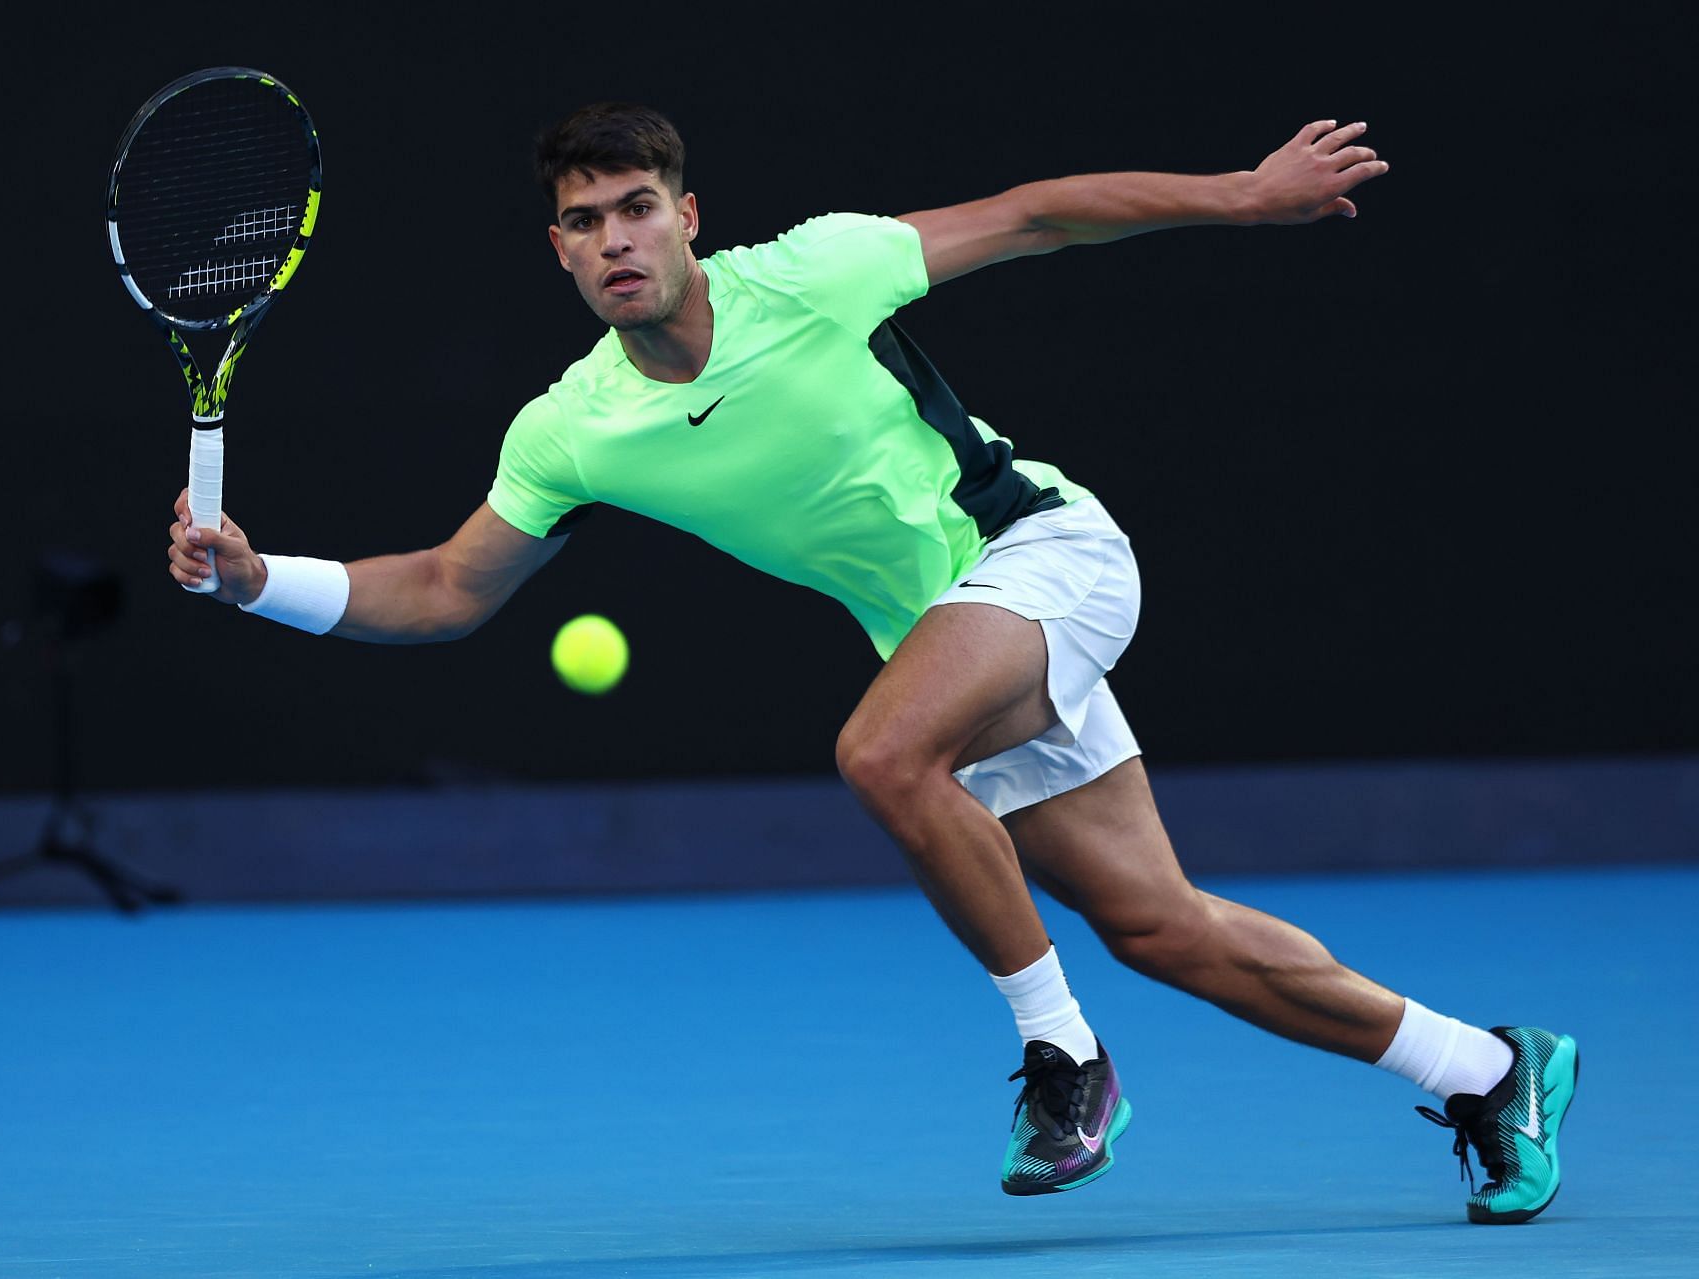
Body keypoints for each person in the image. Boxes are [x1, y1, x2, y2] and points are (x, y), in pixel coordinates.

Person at [165, 103, 1576, 1222]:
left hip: (1047, 557)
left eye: (637, 210)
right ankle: (1490, 1072)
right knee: (1162, 928)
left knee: (883, 752)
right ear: (558, 252)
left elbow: (1034, 218)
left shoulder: (815, 270)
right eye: (583, 223)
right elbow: (445, 588)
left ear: (688, 218)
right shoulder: (572, 429)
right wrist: (256, 581)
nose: (614, 242)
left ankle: (1065, 1062)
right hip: (953, 642)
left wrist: (1243, 194)